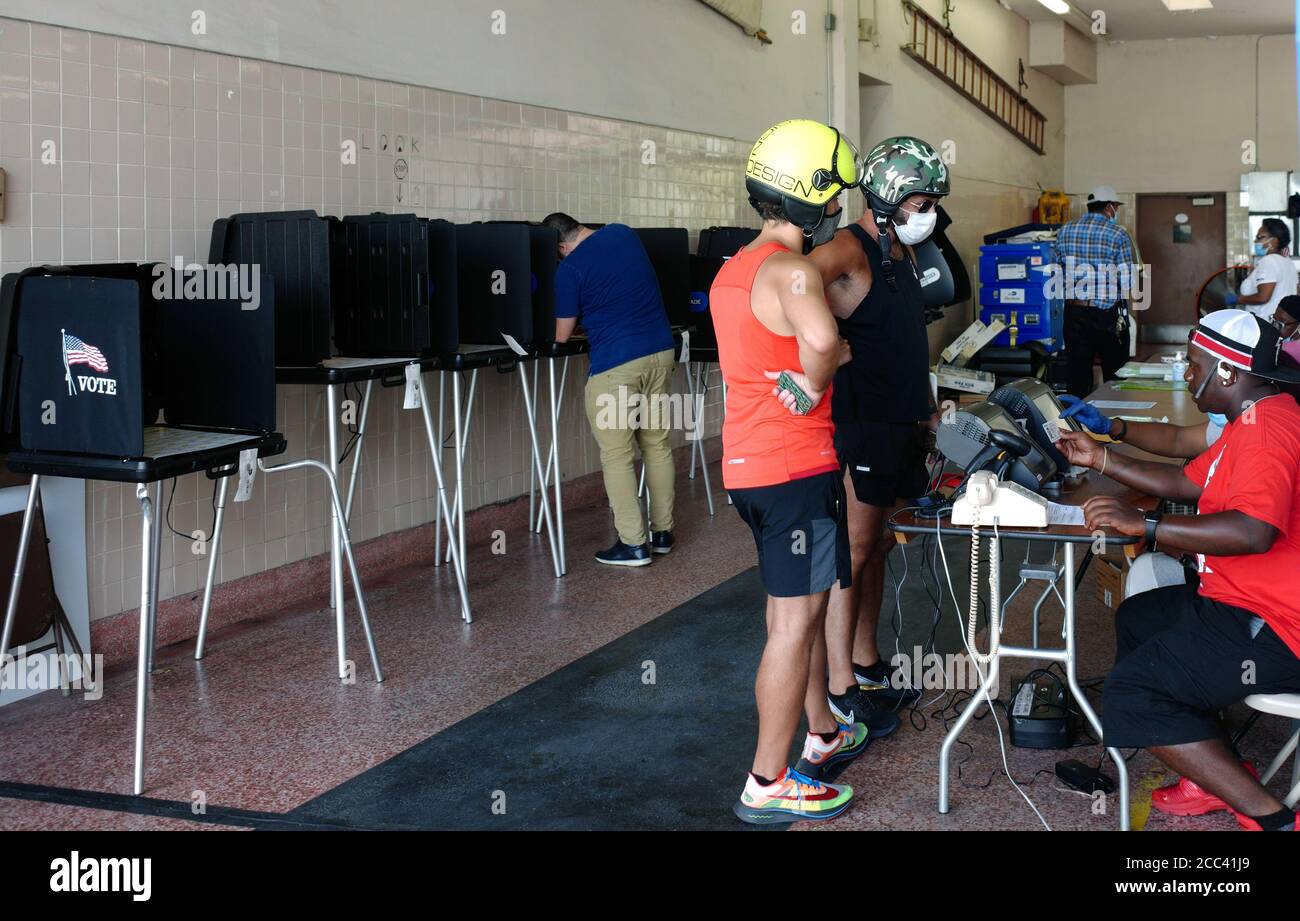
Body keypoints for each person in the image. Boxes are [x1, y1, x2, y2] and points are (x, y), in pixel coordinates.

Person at [1058, 309, 1300, 832]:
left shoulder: (1268, 428)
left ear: (1228, 373)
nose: (1189, 376)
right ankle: (1206, 771)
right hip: (1245, 601)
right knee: (1141, 616)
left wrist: (1145, 527)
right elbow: (1187, 483)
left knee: (1131, 689)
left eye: (1194, 367)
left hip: (1278, 626)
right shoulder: (1251, 419)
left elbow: (1254, 532)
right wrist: (1099, 458)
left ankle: (1271, 818)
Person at [713, 119, 869, 824]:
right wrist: (814, 379)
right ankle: (768, 780)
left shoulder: (731, 272)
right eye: (833, 194)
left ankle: (825, 731)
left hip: (747, 471)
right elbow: (825, 338)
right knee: (792, 624)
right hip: (794, 468)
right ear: (812, 199)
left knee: (791, 614)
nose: (838, 208)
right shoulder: (794, 271)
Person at [807, 136, 948, 727]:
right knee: (855, 549)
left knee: (881, 547)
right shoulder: (848, 247)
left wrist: (929, 404)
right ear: (889, 197)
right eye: (921, 201)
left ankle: (865, 661)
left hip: (901, 419)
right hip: (861, 421)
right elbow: (791, 285)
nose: (929, 213)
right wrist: (817, 352)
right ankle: (841, 686)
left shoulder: (902, 250)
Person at [544, 213, 677, 567]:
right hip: (662, 352)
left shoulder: (569, 270)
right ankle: (662, 534)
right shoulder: (623, 233)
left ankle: (633, 544)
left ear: (560, 247)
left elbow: (561, 335)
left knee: (617, 455)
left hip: (617, 364)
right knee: (656, 444)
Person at [1055, 185, 1137, 397]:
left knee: (1077, 373)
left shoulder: (1065, 230)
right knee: (1115, 373)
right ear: (1110, 207)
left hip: (1073, 312)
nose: (1115, 212)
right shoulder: (1118, 234)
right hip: (1106, 314)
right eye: (1116, 208)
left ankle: (1075, 424)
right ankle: (1115, 422)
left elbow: (1058, 270)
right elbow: (1128, 279)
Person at [1226, 218, 1297, 322]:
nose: (1255, 241)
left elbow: (1263, 297)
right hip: (1279, 324)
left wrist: (1238, 299)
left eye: (1260, 237)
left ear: (1274, 240)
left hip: (1263, 323)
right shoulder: (1288, 262)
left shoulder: (1268, 262)